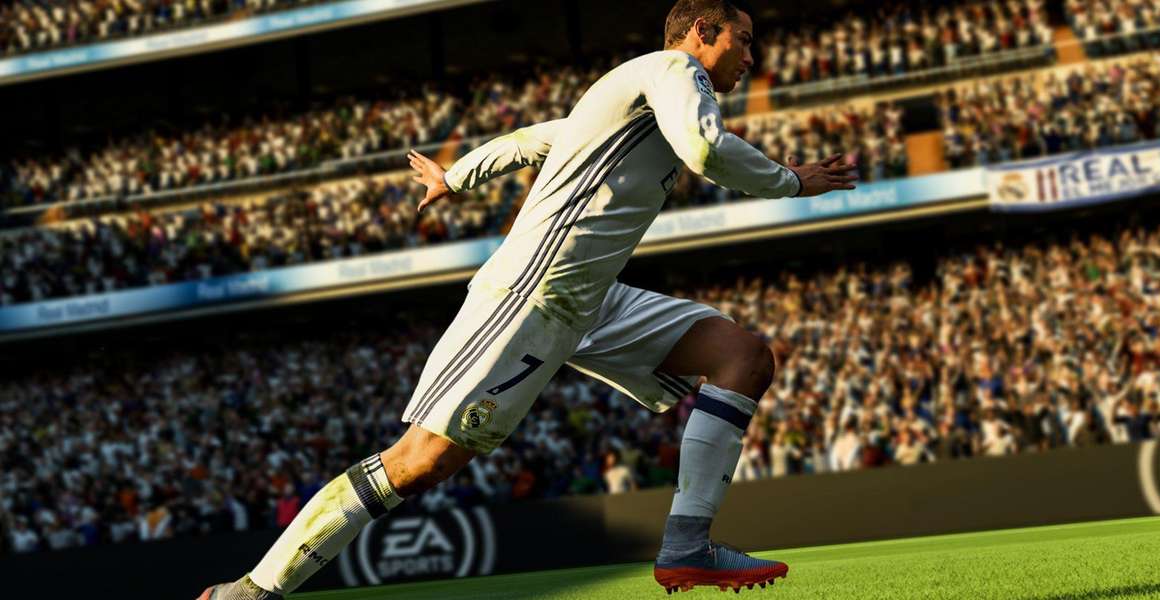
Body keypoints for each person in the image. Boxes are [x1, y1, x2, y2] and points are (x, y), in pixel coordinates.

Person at [198, 1, 855, 598]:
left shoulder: (636, 100)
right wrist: (793, 180)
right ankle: (252, 591)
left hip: (591, 298)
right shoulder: (674, 73)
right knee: (421, 461)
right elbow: (706, 148)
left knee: (742, 356)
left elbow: (532, 141)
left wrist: (457, 176)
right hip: (533, 292)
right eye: (743, 39)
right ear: (702, 32)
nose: (751, 56)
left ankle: (687, 548)